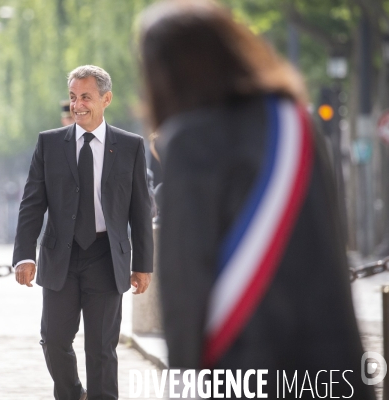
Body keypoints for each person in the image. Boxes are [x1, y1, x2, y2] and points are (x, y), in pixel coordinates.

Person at [140, 1, 375, 398]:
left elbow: (185, 289)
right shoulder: (296, 124)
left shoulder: (189, 141)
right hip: (324, 367)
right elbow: (331, 259)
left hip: (238, 367)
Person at [13, 65, 154, 400]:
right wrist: (23, 255)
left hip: (107, 257)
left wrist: (143, 264)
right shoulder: (49, 144)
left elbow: (140, 209)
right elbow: (32, 204)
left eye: (86, 97)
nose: (78, 105)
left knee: (101, 347)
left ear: (106, 99)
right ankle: (73, 394)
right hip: (61, 255)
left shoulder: (130, 145)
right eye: (74, 97)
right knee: (54, 340)